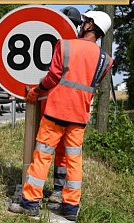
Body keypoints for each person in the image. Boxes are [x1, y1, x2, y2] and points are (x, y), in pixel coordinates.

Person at [8, 10, 113, 221]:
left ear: (91, 26)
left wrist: (35, 92)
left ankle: (30, 203)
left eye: (84, 22)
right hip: (79, 116)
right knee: (74, 160)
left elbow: (53, 77)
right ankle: (71, 208)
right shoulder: (106, 60)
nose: (81, 25)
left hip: (56, 111)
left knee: (42, 155)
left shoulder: (65, 45)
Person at [45, 6, 82, 205]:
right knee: (51, 151)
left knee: (58, 152)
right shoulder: (66, 45)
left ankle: (57, 190)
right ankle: (53, 191)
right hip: (57, 104)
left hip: (62, 106)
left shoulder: (73, 47)